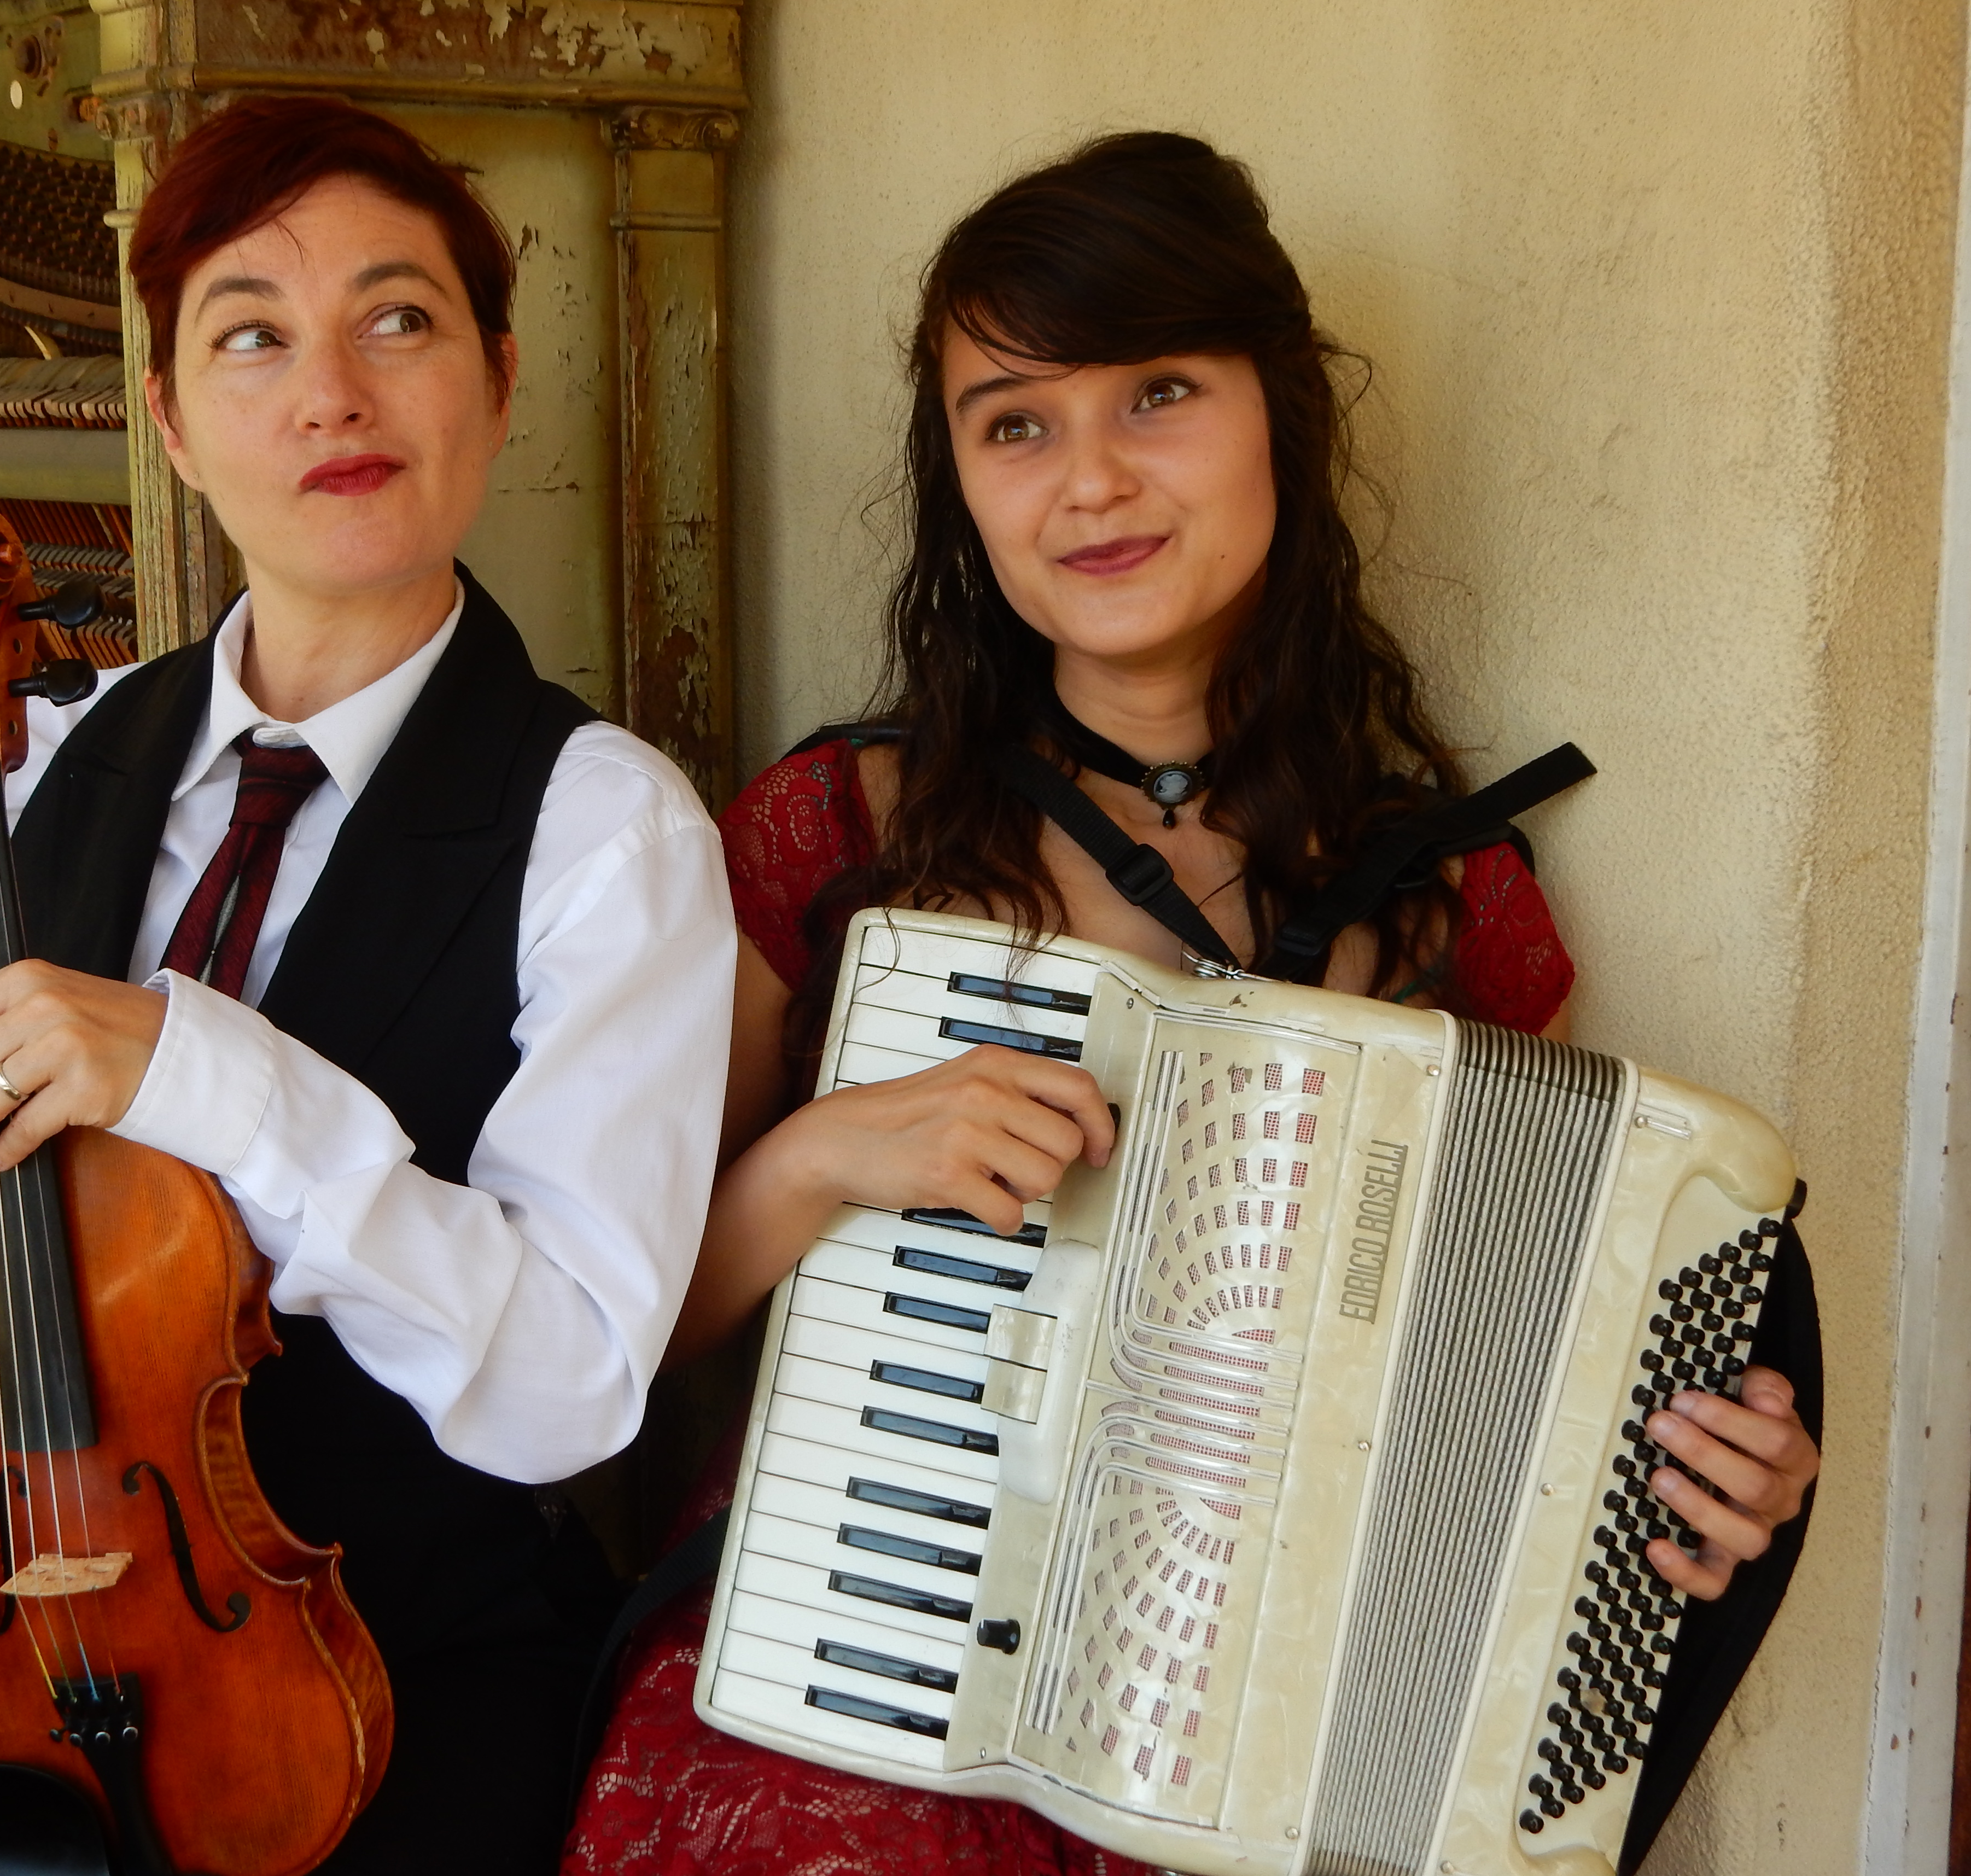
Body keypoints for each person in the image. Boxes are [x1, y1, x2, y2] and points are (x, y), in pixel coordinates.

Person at [563, 132, 1822, 1876]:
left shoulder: (1448, 897)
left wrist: (1698, 1483)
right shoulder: (832, 832)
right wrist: (823, 1158)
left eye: (1157, 393)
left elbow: (1503, 1406)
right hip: (861, 1677)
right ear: (959, 482)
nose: (1090, 481)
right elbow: (603, 1332)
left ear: (1277, 415)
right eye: (1015, 423)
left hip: (1277, 1746)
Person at [0, 97, 734, 1876]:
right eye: (253, 335)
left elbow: (573, 1381)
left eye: (396, 319)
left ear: (500, 381)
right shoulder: (47, 772)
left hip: (388, 1667)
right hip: (2, 1647)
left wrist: (203, 1075)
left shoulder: (606, 829)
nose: (332, 393)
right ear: (176, 425)